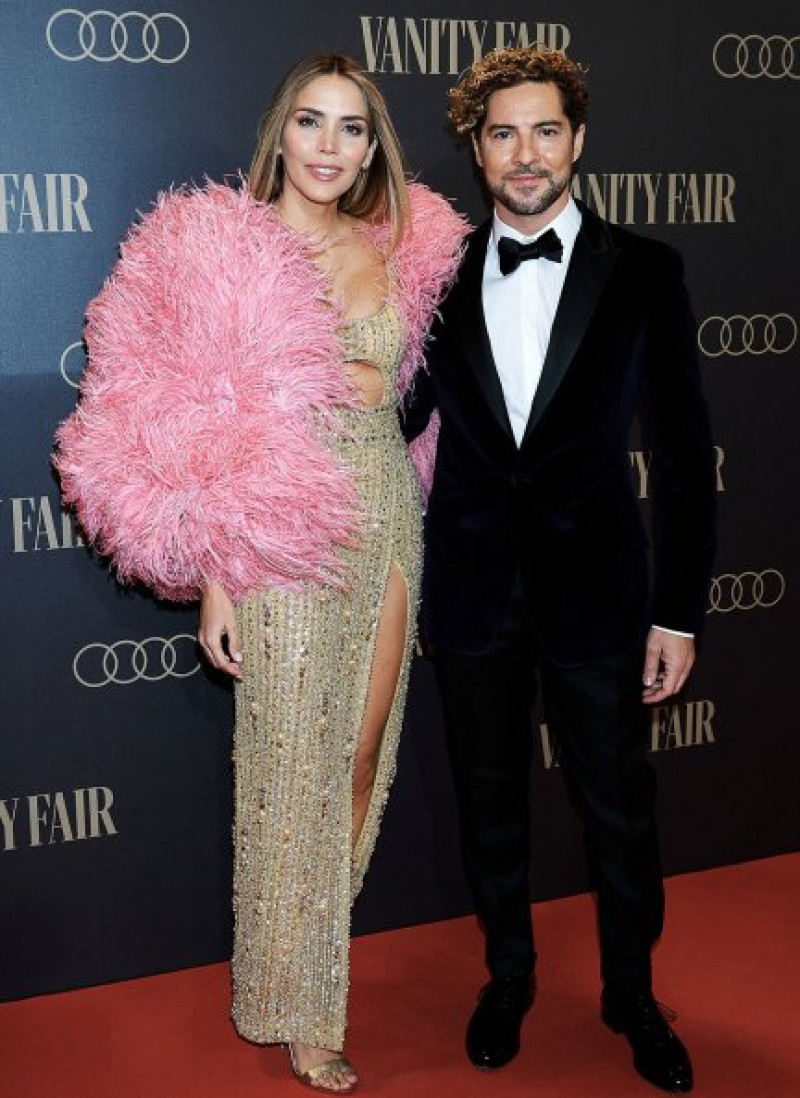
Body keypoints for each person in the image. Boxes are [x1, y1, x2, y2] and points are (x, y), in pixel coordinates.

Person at [55, 53, 467, 1095]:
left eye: (353, 128)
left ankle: (298, 963)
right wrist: (218, 577)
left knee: (362, 755)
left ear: (376, 146)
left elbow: (425, 400)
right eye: (311, 123)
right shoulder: (217, 249)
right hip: (276, 534)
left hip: (384, 514)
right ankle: (304, 1012)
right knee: (290, 770)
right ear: (279, 133)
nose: (330, 147)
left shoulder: (402, 250)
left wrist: (382, 397)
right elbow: (176, 415)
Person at [403, 47, 716, 1094]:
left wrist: (677, 611)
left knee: (619, 805)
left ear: (576, 141)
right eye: (501, 134)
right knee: (488, 801)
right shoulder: (433, 274)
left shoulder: (643, 271)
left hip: (600, 598)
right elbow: (388, 424)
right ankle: (507, 978)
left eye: (543, 130)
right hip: (472, 592)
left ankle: (631, 993)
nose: (523, 153)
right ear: (476, 150)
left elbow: (679, 453)